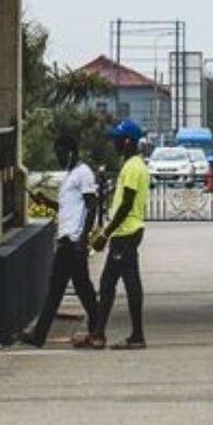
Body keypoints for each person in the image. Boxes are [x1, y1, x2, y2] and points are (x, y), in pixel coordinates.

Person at [25, 131, 102, 348]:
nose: (58, 157)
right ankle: (97, 330)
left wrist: (82, 239)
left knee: (57, 288)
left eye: (60, 153)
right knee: (82, 289)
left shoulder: (83, 173)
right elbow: (68, 208)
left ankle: (39, 335)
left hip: (73, 241)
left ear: (71, 152)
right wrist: (46, 202)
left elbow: (91, 206)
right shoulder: (70, 175)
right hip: (68, 239)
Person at [88, 117, 150, 350]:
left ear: (127, 141)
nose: (113, 143)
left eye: (116, 139)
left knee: (128, 283)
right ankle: (98, 333)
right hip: (127, 233)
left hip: (126, 232)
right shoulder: (133, 165)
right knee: (108, 283)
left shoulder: (133, 167)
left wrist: (106, 232)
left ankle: (135, 336)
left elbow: (126, 204)